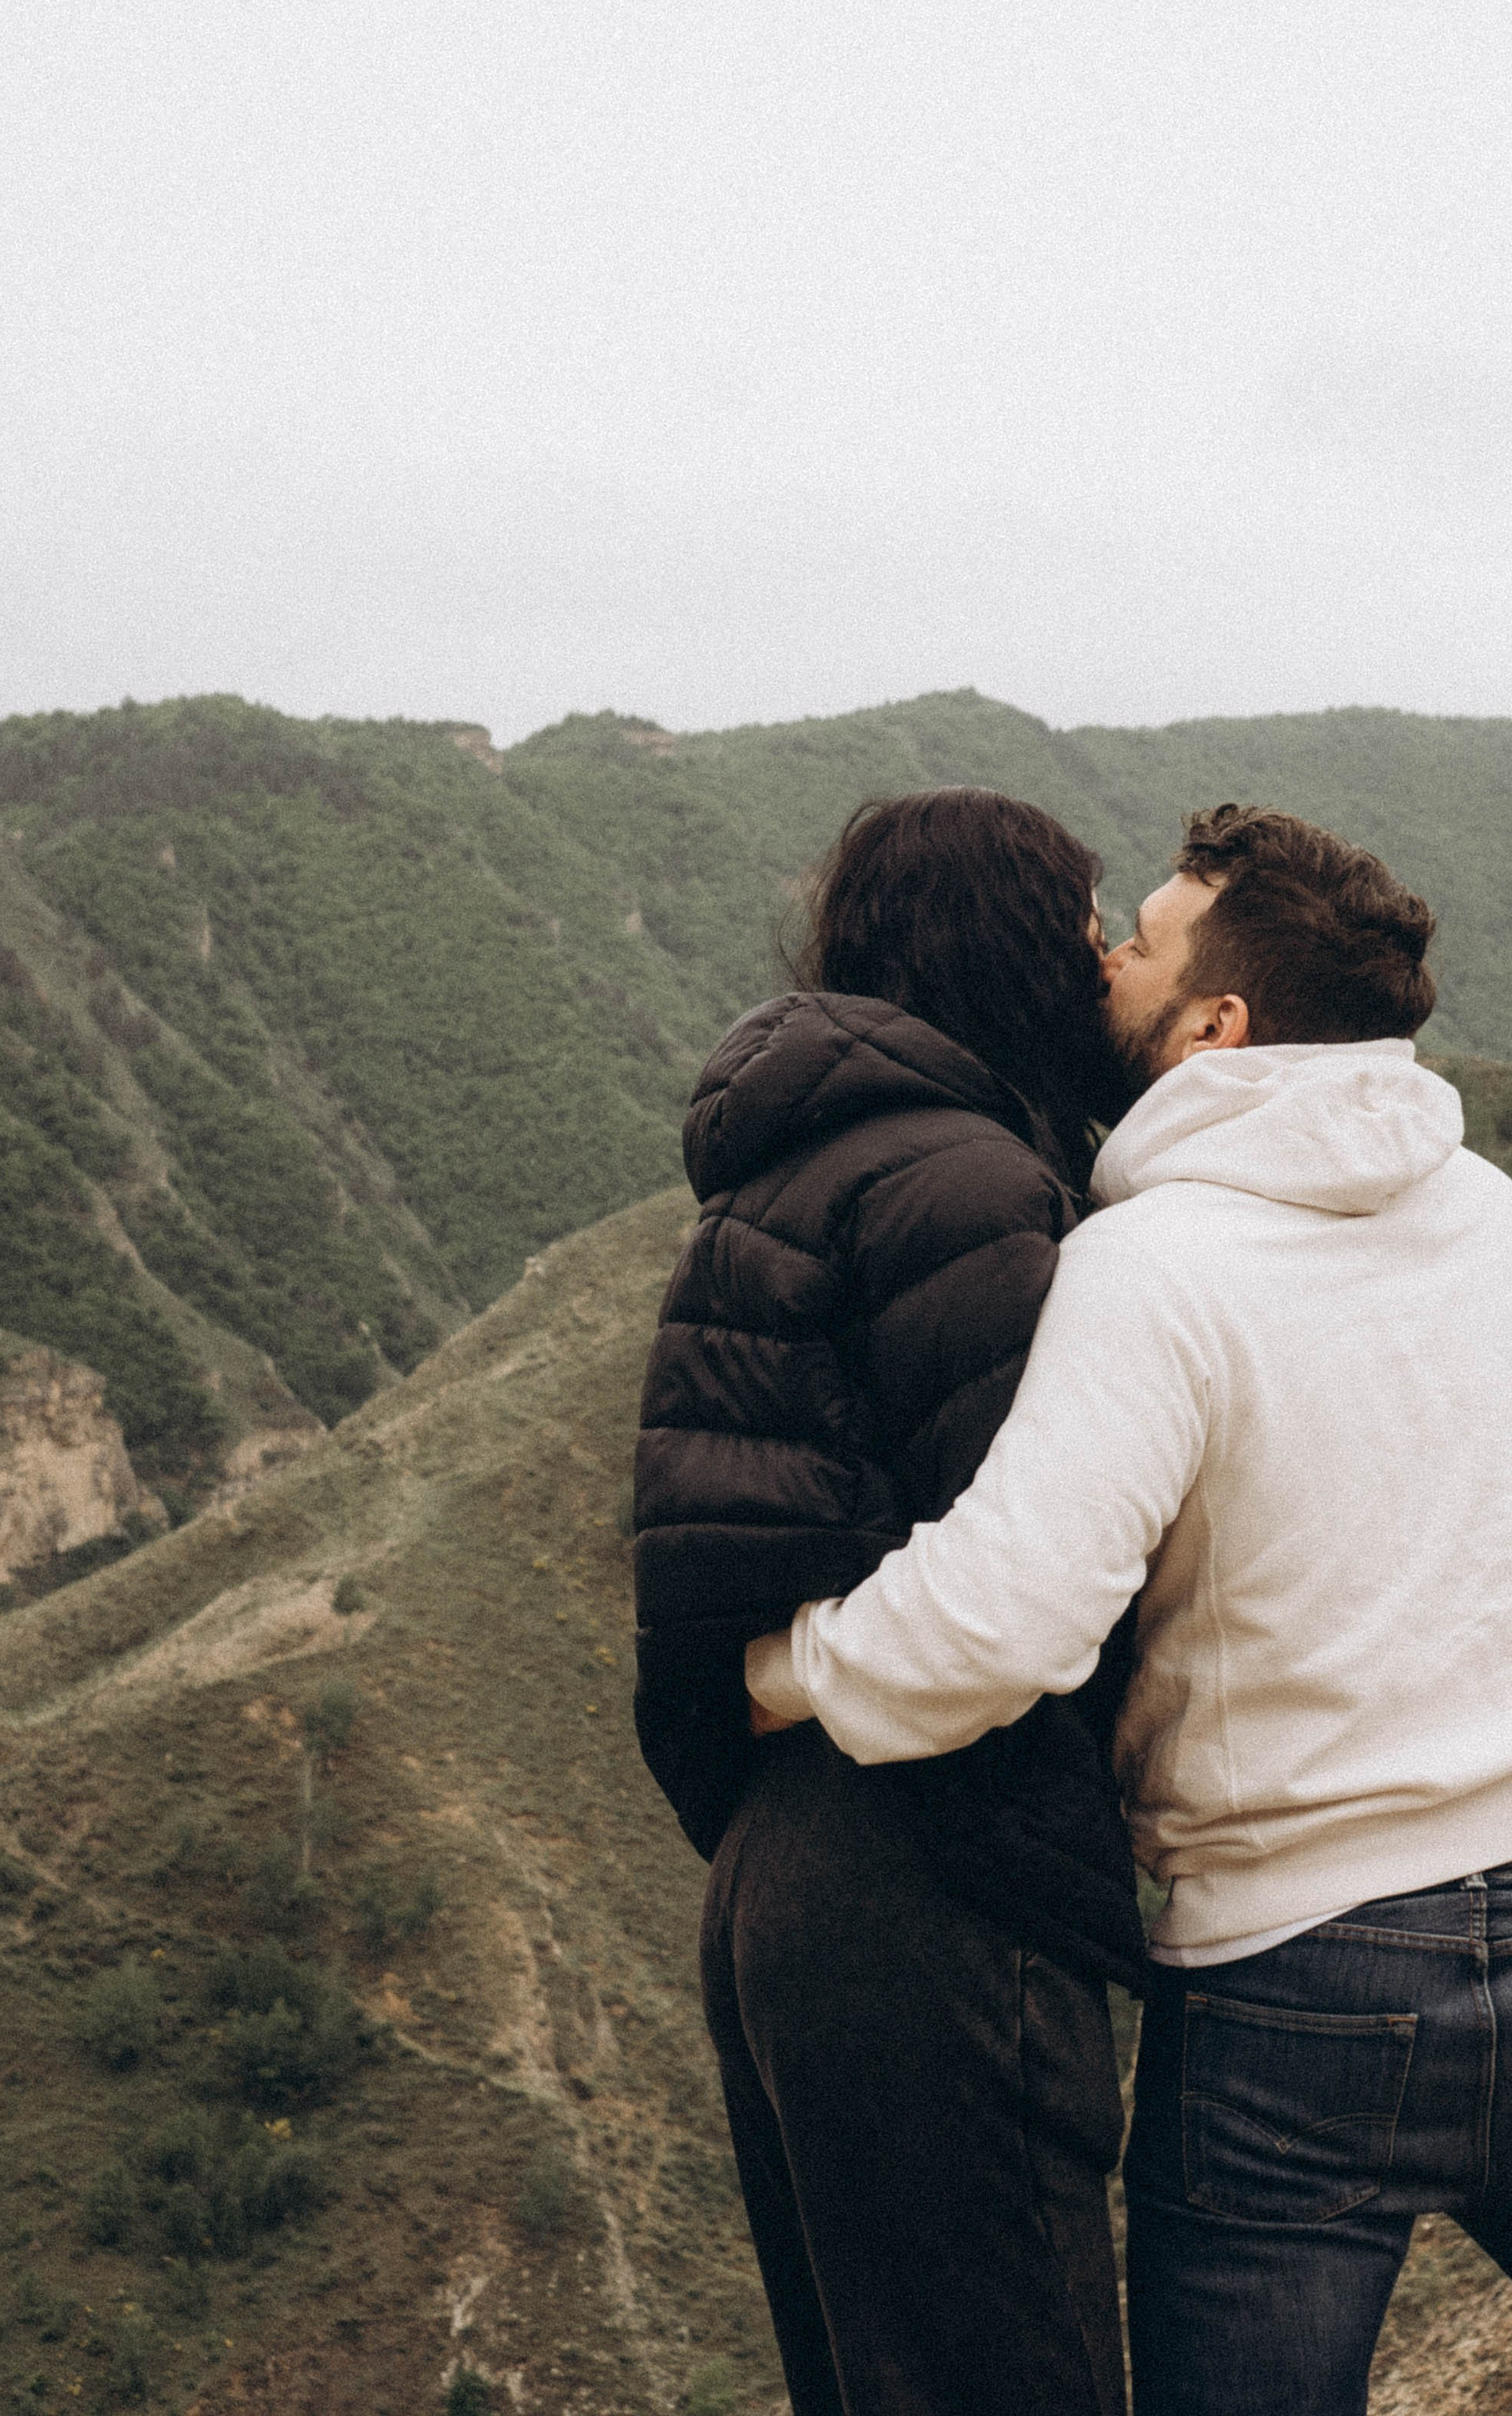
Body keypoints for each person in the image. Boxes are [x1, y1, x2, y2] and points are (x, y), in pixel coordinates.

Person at [747, 805, 1512, 2416]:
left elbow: (996, 1630)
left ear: (1216, 1027)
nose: (1105, 958)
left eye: (1148, 944)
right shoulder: (1495, 1215)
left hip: (1300, 1974)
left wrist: (783, 1663)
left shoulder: (1153, 1267)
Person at [632, 788, 1147, 2416]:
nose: (1096, 954)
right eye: (1077, 916)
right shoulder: (966, 1183)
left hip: (783, 1867)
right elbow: (1018, 1574)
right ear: (1003, 933)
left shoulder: (793, 1167)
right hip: (924, 1874)